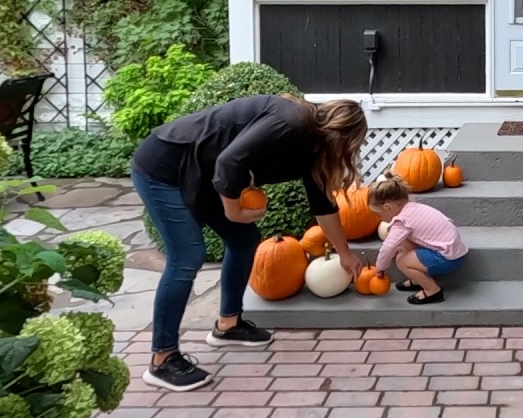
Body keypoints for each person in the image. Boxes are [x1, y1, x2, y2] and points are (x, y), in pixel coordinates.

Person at [131, 94, 368, 392]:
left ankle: (228, 325)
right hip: (164, 167)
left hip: (205, 173)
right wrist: (234, 211)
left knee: (244, 240)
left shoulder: (311, 149)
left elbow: (323, 205)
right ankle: (162, 359)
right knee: (187, 256)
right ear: (341, 136)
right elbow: (229, 162)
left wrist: (344, 253)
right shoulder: (291, 121)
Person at [369, 175, 469, 305]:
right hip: (454, 251)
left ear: (388, 207)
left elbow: (388, 247)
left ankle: (433, 290)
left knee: (402, 262)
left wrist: (380, 267)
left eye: (378, 214)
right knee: (403, 246)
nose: (380, 218)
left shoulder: (401, 221)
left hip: (447, 259)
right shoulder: (413, 208)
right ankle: (418, 279)